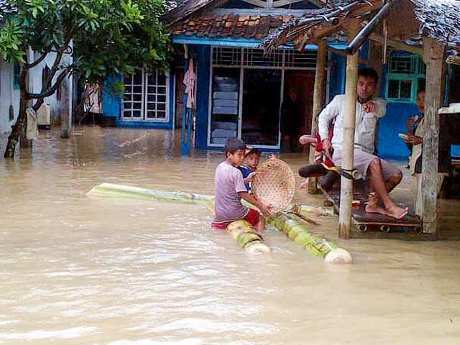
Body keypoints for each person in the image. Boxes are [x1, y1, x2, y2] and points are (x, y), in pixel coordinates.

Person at [318, 67, 408, 219]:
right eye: (361, 83)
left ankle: (373, 203)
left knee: (396, 175)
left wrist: (374, 108)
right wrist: (325, 139)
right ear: (355, 84)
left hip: (365, 156)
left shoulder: (379, 103)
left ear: (375, 87)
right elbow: (323, 117)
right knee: (373, 161)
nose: (364, 88)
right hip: (342, 152)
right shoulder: (341, 100)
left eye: (369, 84)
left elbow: (381, 111)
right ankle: (389, 205)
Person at [212, 138, 272, 232]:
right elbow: (243, 195)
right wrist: (261, 206)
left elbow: (229, 184)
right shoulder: (236, 172)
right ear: (229, 154)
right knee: (260, 217)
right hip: (235, 212)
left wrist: (247, 180)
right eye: (239, 155)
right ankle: (261, 236)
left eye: (243, 155)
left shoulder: (220, 167)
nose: (242, 158)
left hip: (219, 214)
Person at [403, 89, 446, 217]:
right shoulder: (422, 119)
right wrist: (410, 130)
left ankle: (425, 226)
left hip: (434, 166)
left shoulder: (440, 119)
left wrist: (420, 140)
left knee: (426, 201)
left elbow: (443, 143)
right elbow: (413, 146)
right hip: (420, 165)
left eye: (424, 99)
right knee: (421, 199)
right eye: (419, 99)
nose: (421, 102)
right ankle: (420, 223)